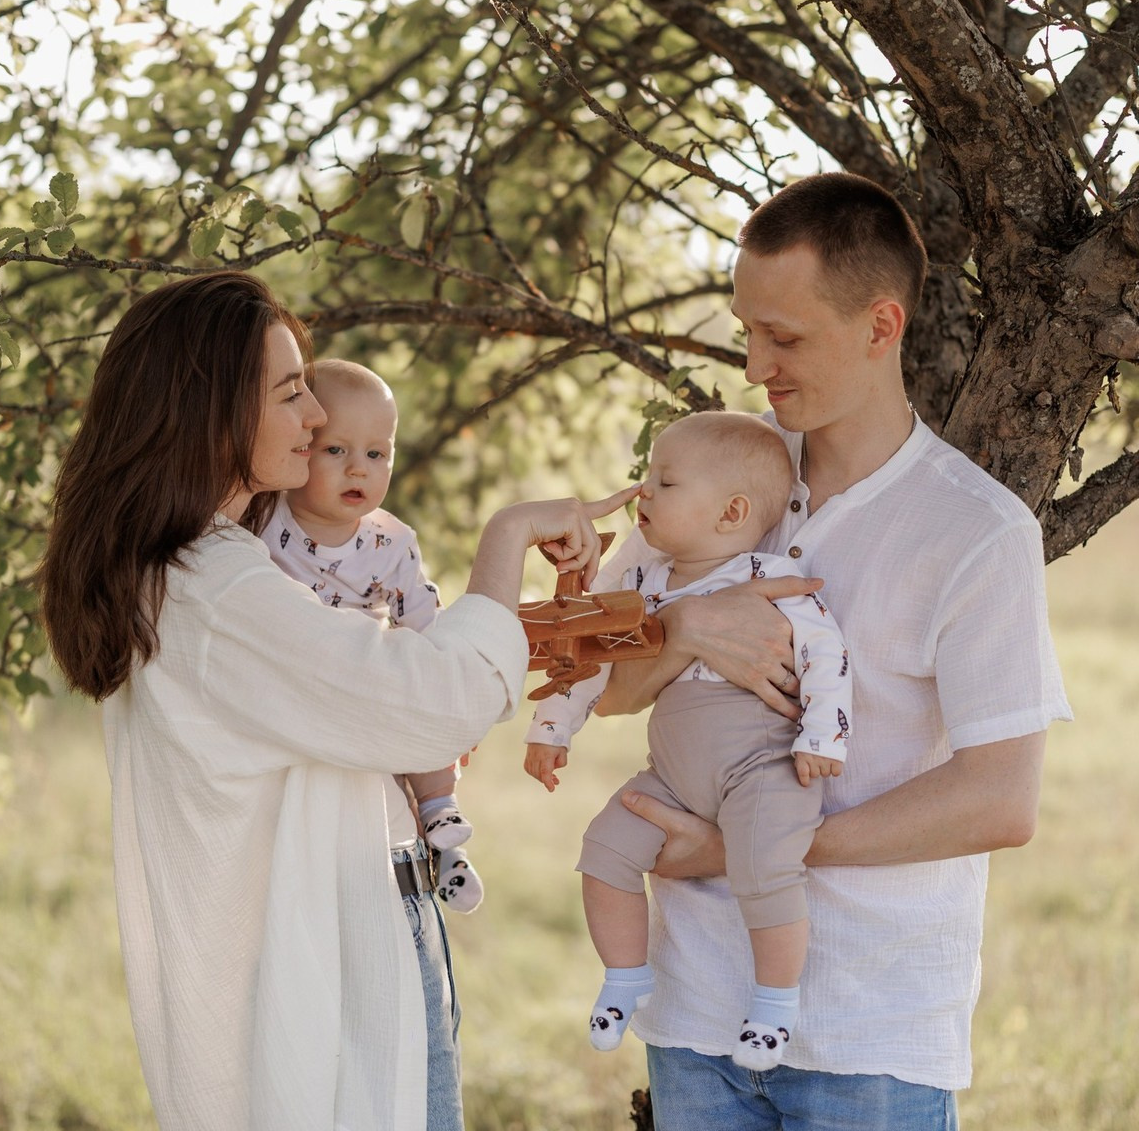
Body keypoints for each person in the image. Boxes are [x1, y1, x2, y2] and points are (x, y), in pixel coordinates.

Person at [37, 270, 635, 1131]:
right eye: (290, 394)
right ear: (215, 411)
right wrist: (509, 536)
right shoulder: (217, 590)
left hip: (345, 929)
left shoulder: (194, 572)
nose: (316, 418)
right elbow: (437, 703)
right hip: (333, 956)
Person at [594, 173, 1071, 1129]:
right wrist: (682, 628)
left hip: (872, 1040)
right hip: (693, 1019)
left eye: (786, 337)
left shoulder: (976, 529)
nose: (755, 364)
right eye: (748, 331)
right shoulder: (712, 472)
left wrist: (737, 853)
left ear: (881, 326)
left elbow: (999, 800)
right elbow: (600, 688)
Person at [522, 411, 850, 1068]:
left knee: (765, 866)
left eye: (665, 482)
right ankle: (625, 975)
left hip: (763, 762)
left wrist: (822, 736)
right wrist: (552, 728)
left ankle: (774, 1006)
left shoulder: (764, 576)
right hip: (671, 773)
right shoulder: (642, 585)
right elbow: (592, 661)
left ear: (730, 513)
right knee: (605, 849)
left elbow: (824, 649)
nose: (645, 492)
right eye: (649, 478)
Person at [262, 357, 485, 914]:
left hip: (373, 682)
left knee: (420, 711)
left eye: (376, 453)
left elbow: (426, 626)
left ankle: (443, 824)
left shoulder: (393, 543)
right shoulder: (266, 520)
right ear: (301, 446)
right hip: (304, 688)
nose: (358, 469)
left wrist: (450, 706)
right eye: (335, 450)